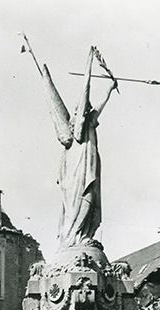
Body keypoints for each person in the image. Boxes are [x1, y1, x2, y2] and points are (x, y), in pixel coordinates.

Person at [42, 46, 118, 248]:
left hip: (89, 170)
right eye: (82, 109)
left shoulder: (90, 120)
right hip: (77, 175)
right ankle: (74, 238)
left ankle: (82, 237)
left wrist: (109, 89)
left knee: (91, 204)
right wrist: (88, 68)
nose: (86, 109)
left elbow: (98, 107)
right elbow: (85, 92)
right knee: (80, 204)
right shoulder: (77, 129)